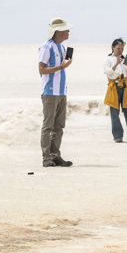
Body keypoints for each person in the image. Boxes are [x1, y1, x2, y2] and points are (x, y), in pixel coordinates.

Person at [39, 17, 75, 167]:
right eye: (66, 30)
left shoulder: (61, 47)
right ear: (58, 32)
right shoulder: (47, 47)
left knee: (59, 126)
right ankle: (46, 157)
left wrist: (64, 65)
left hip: (61, 91)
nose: (68, 32)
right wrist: (61, 67)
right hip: (50, 91)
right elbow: (41, 69)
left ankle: (55, 154)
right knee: (48, 126)